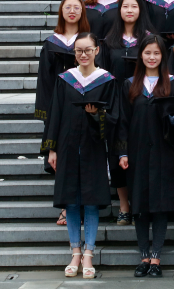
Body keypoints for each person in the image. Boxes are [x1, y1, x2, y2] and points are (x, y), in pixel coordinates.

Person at [46, 33, 120, 279]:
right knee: (71, 200)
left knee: (90, 200)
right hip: (67, 146)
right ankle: (75, 252)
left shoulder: (107, 80)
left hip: (94, 147)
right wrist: (52, 148)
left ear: (97, 51)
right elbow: (55, 113)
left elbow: (114, 117)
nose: (83, 54)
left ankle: (89, 252)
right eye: (79, 50)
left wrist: (96, 115)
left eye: (88, 50)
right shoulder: (65, 79)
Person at [117, 35, 174, 278]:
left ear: (163, 56)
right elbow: (122, 121)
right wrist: (123, 151)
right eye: (147, 53)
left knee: (159, 205)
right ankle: (144, 256)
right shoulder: (130, 85)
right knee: (140, 205)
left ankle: (156, 257)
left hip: (164, 154)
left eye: (156, 53)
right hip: (137, 154)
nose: (152, 57)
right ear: (141, 56)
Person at [100, 0, 154, 225]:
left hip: (143, 101)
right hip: (115, 103)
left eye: (134, 6)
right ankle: (124, 205)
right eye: (125, 6)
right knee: (117, 153)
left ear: (141, 10)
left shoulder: (149, 39)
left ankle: (142, 202)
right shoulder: (109, 41)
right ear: (119, 10)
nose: (129, 10)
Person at [36, 0, 90, 226]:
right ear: (61, 11)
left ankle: (84, 205)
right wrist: (48, 112)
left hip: (85, 107)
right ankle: (67, 208)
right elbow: (44, 81)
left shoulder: (89, 41)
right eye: (67, 7)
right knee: (62, 158)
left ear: (82, 12)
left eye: (76, 7)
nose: (72, 11)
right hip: (59, 109)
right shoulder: (51, 43)